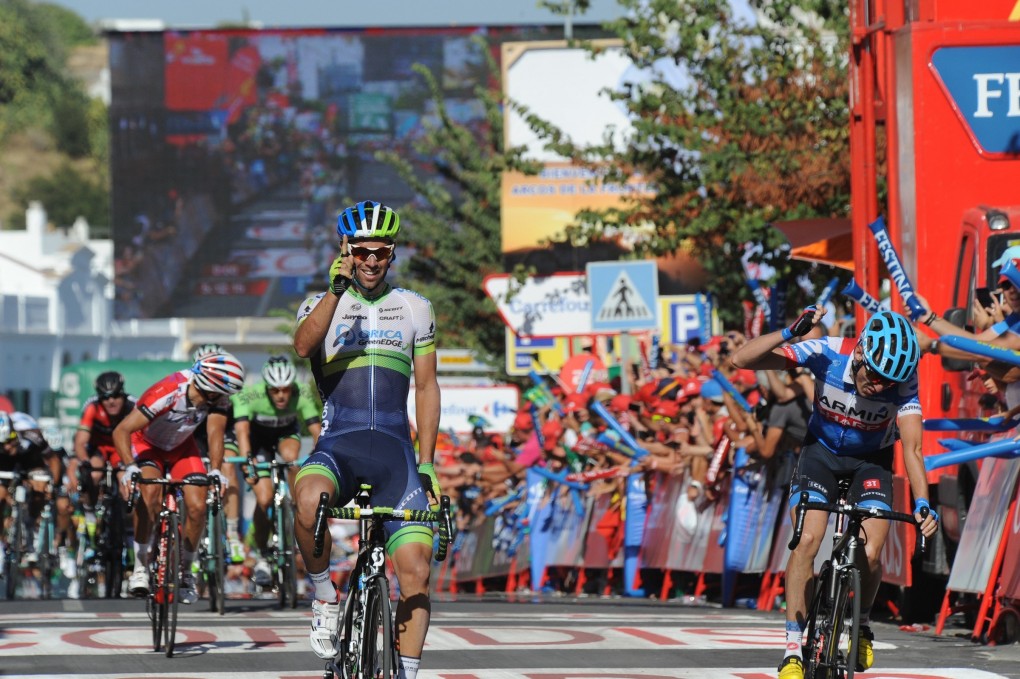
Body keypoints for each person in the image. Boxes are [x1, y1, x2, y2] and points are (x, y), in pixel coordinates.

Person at [730, 308, 939, 679]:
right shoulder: (827, 351)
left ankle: (861, 625)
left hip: (871, 461)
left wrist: (923, 502)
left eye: (890, 382)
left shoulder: (903, 381)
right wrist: (789, 332)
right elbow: (740, 359)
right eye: (875, 375)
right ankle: (794, 647)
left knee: (872, 550)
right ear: (859, 354)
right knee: (807, 539)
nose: (880, 387)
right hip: (820, 454)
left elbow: (913, 449)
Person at [293, 200, 440, 679]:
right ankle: (324, 595)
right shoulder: (321, 303)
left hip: (397, 457)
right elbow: (300, 347)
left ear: (392, 252)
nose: (371, 260)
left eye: (380, 251)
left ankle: (407, 675)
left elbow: (427, 386)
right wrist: (336, 292)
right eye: (361, 251)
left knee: (416, 571)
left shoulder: (416, 308)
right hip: (341, 446)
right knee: (308, 498)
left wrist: (429, 461)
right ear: (346, 250)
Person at [113, 351, 245, 604]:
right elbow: (122, 430)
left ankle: (185, 572)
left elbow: (215, 434)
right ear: (209, 387)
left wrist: (216, 469)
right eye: (223, 393)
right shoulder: (168, 391)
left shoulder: (218, 400)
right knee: (150, 494)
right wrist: (129, 467)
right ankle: (140, 566)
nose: (226, 399)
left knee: (197, 506)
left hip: (182, 448)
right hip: (146, 445)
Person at [232, 355, 322, 585]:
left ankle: (295, 503)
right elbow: (242, 431)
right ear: (267, 388)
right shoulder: (251, 394)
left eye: (285, 390)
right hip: (258, 441)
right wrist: (247, 459)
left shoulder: (301, 393)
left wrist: (322, 453)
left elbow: (316, 430)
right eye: (275, 391)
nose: (281, 396)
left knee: (292, 458)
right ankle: (262, 553)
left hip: (285, 436)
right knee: (264, 500)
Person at [191, 343, 246, 563]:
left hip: (223, 430)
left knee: (228, 467)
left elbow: (240, 428)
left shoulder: (227, 394)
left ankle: (232, 533)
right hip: (196, 433)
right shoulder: (191, 391)